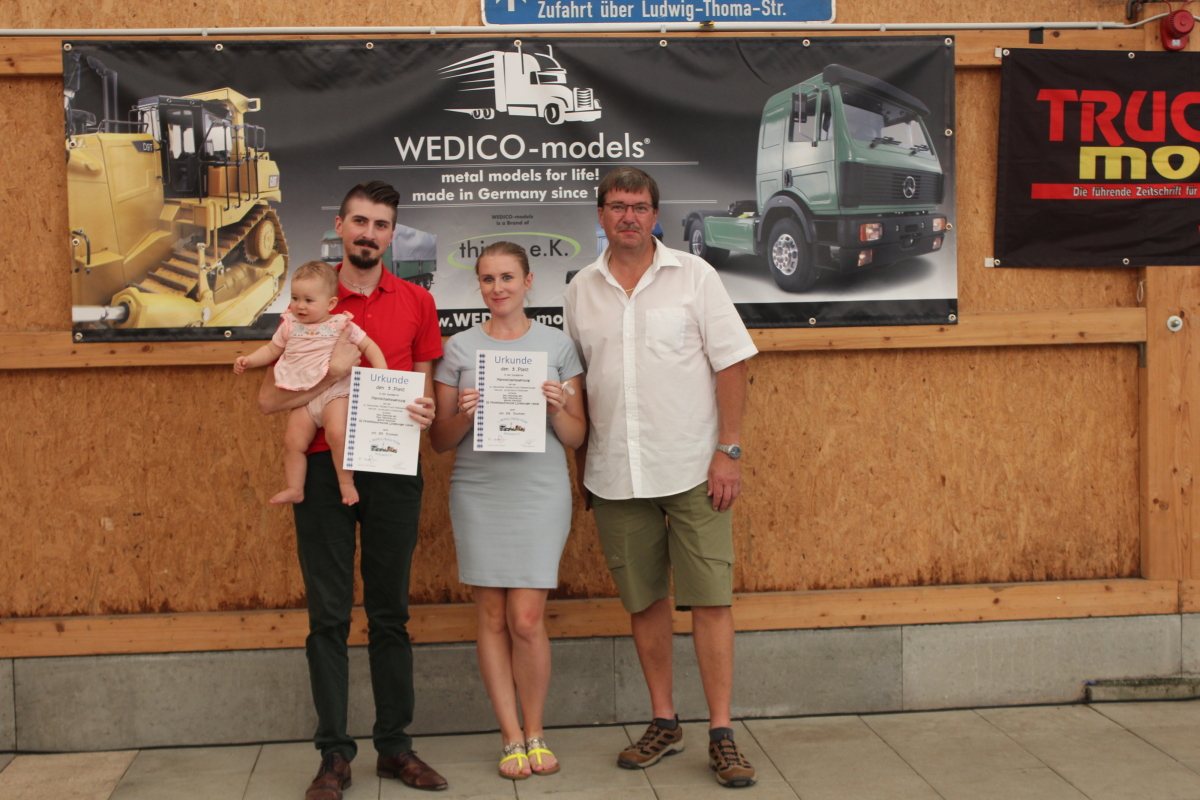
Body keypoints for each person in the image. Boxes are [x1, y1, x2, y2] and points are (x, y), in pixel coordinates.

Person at [563, 167, 759, 788]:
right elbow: (577, 387)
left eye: (640, 206)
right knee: (644, 601)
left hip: (695, 469)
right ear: (600, 214)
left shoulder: (695, 276)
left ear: (655, 214)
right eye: (618, 206)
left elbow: (732, 364)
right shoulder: (580, 290)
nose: (629, 216)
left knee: (711, 599)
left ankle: (722, 733)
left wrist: (729, 451)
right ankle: (664, 721)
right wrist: (581, 472)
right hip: (615, 475)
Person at [255, 181, 448, 800]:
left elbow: (423, 388)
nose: (369, 233)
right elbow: (267, 400)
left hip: (392, 465)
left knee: (390, 613)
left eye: (381, 224)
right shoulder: (307, 299)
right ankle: (334, 755)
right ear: (340, 226)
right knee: (328, 616)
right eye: (360, 221)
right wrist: (332, 377)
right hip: (319, 470)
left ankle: (394, 746)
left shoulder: (417, 301)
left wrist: (423, 412)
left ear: (392, 234)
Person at [429, 242, 586, 780]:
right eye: (488, 279)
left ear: (528, 281)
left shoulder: (558, 346)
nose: (498, 288)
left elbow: (576, 435)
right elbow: (440, 441)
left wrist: (558, 408)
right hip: (479, 491)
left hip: (540, 491)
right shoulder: (458, 349)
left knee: (526, 618)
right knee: (493, 617)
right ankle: (511, 737)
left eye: (507, 277)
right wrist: (465, 416)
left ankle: (536, 730)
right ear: (478, 285)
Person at [235, 260, 387, 507]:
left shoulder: (340, 324)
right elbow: (271, 350)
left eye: (308, 300)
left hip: (335, 392)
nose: (299, 305)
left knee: (337, 434)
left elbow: (369, 345)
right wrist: (249, 360)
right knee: (292, 442)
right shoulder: (290, 325)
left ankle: (346, 482)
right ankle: (295, 488)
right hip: (303, 395)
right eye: (295, 298)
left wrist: (382, 374)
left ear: (331, 304)